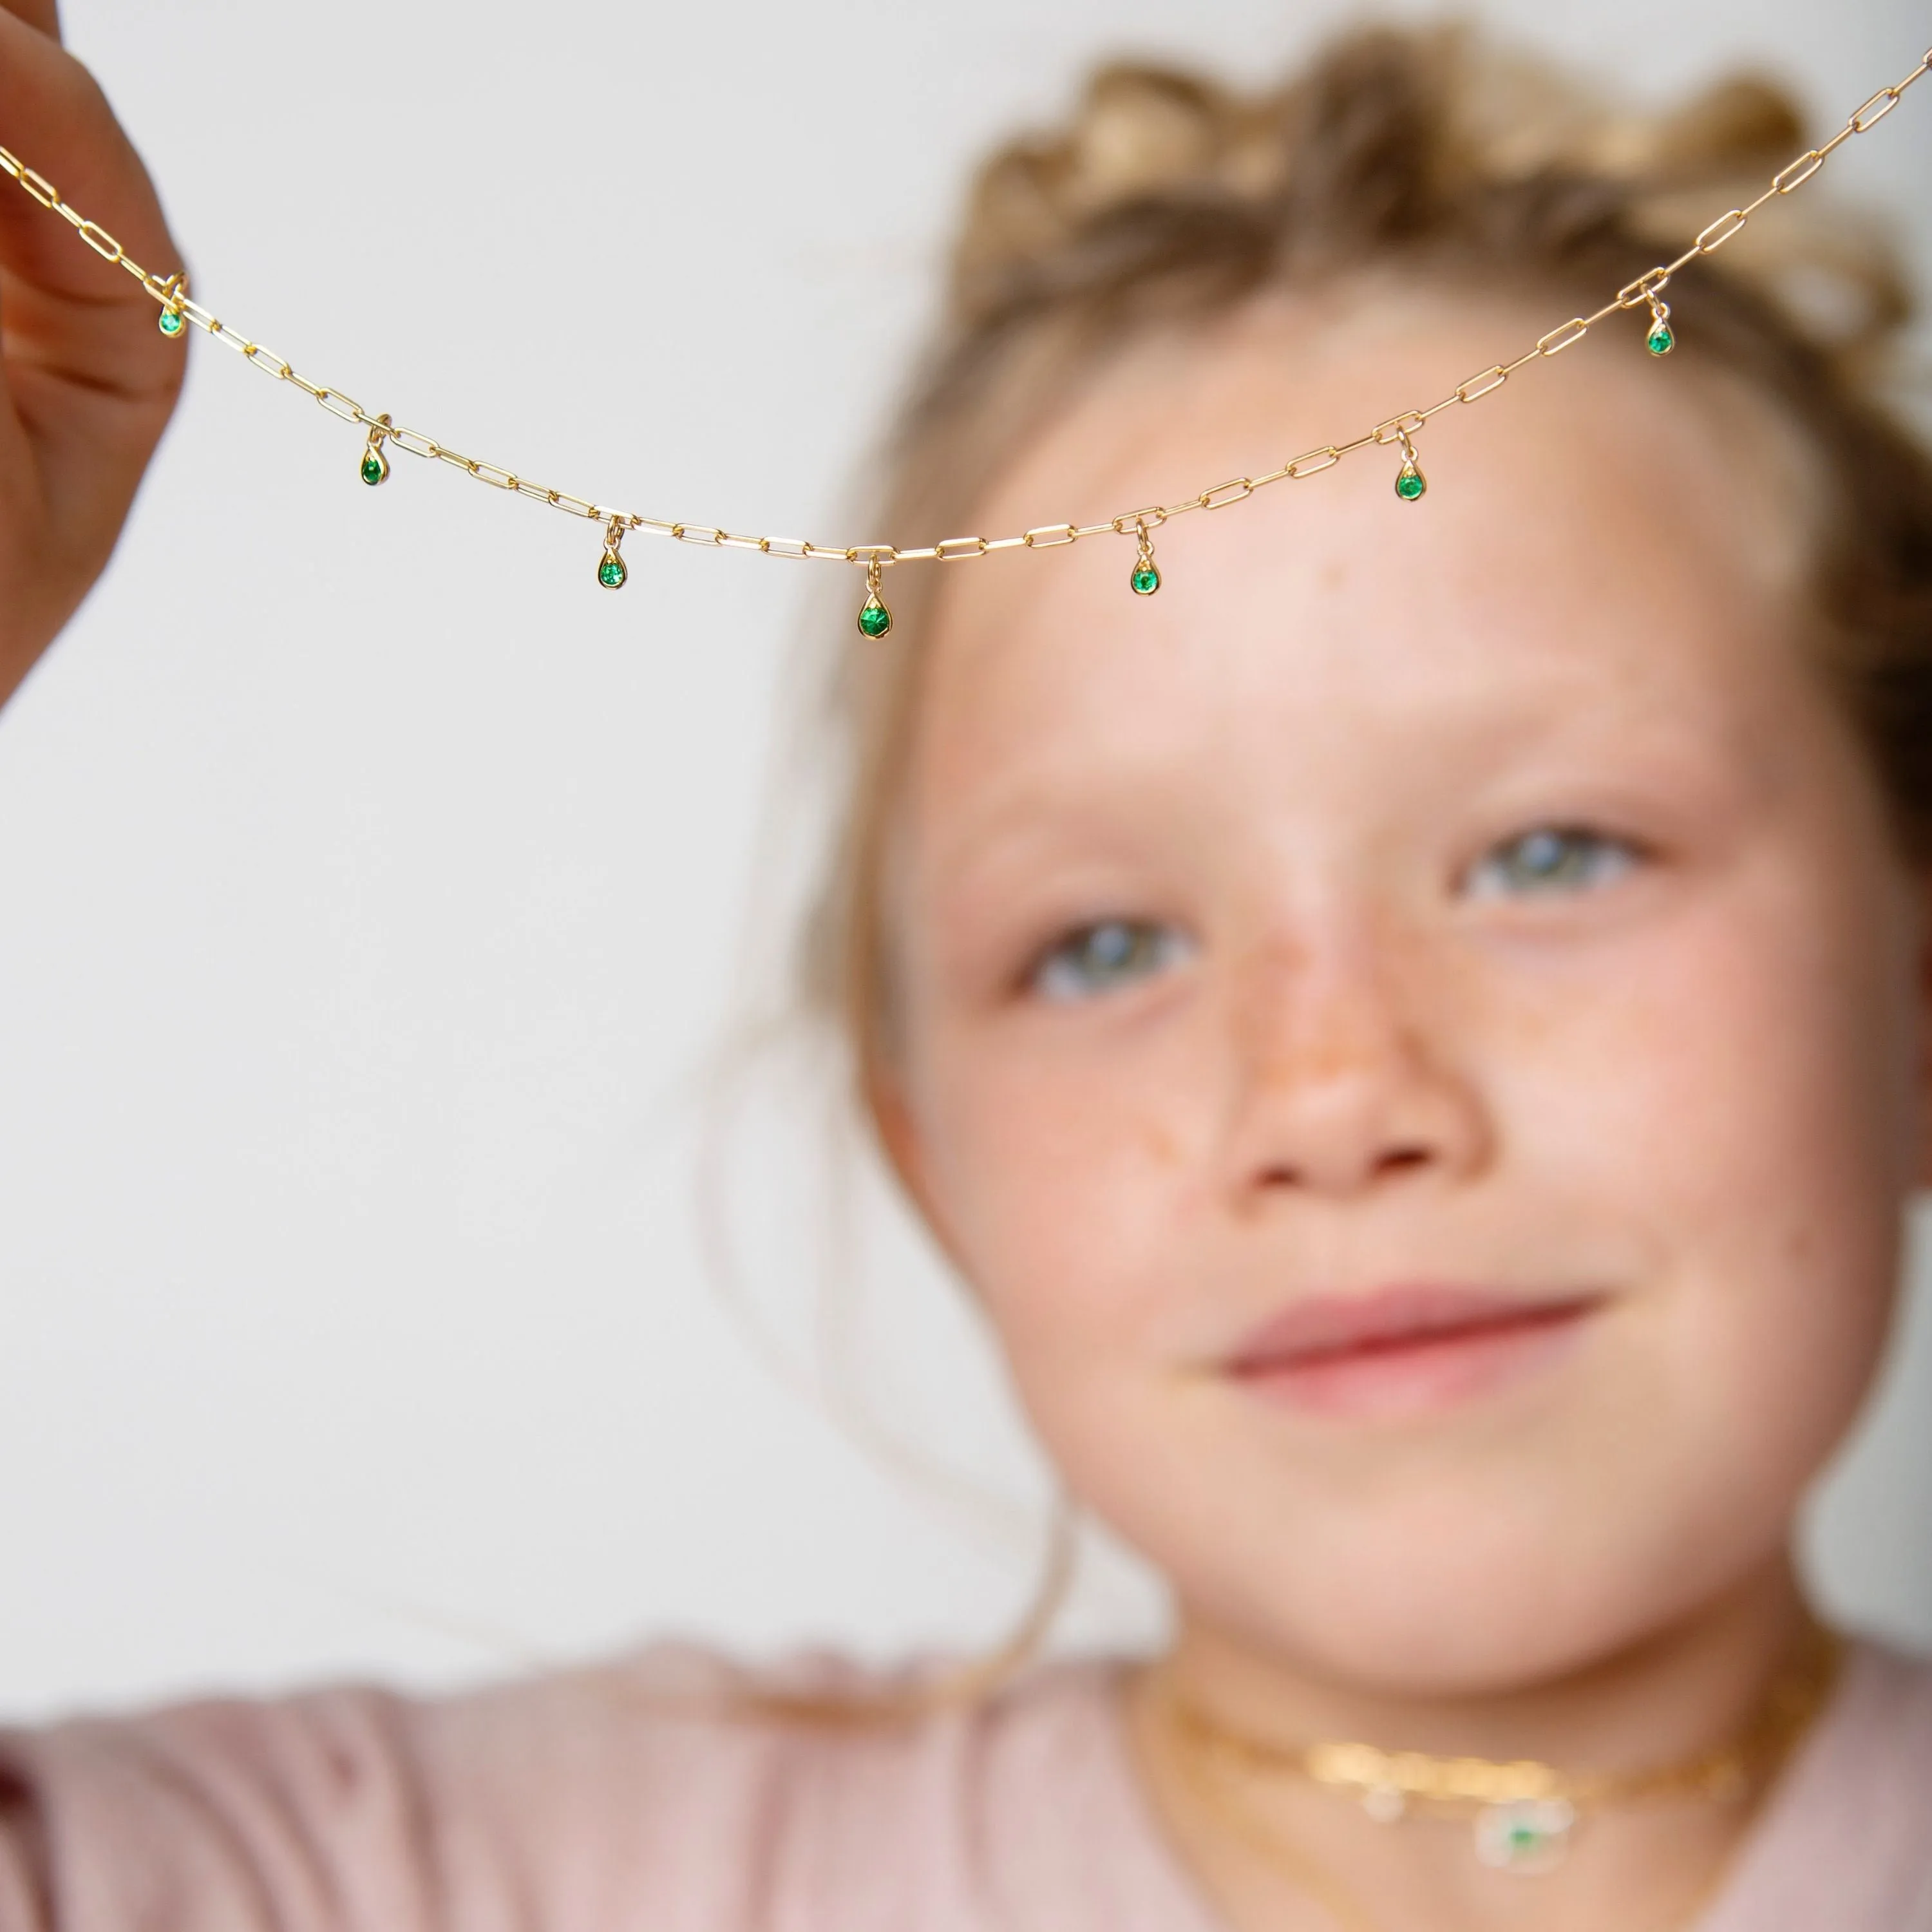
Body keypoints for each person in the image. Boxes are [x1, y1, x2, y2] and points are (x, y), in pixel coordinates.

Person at [2, 6, 1930, 1929]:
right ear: (934, 1155)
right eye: (1105, 948)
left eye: (1551, 855)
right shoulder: (410, 1882)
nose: (1338, 1095)